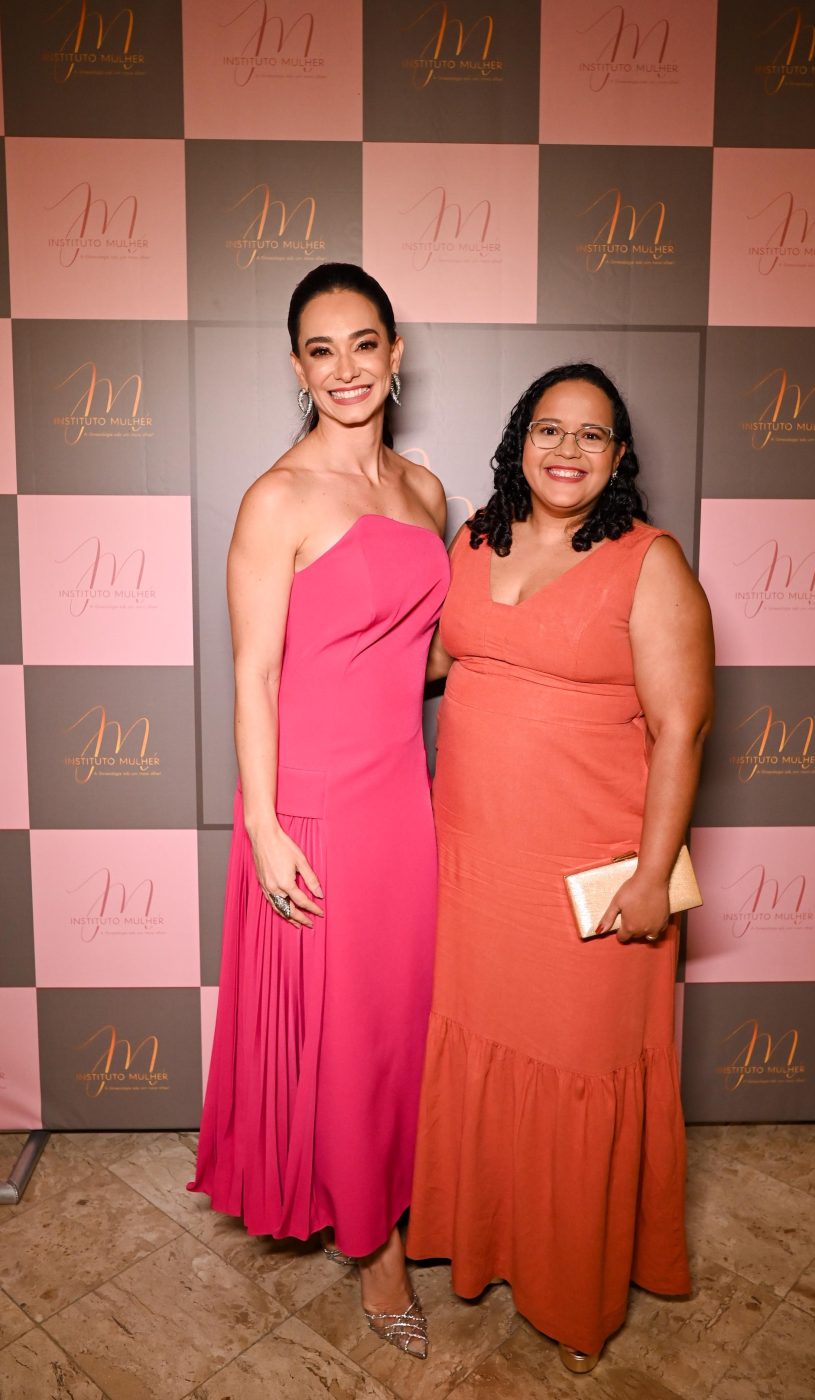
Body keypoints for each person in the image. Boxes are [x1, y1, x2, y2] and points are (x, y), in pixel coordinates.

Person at [407, 362, 714, 1372]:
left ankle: (571, 1289)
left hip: (587, 872)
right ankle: (481, 1242)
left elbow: (681, 729)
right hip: (470, 864)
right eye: (550, 429)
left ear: (620, 456)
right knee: (477, 1045)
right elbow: (432, 662)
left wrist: (650, 872)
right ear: (517, 440)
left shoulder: (648, 560)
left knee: (577, 1071)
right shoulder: (474, 539)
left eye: (592, 434)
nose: (567, 450)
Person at [189, 263, 448, 1359]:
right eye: (319, 348)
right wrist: (262, 824)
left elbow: (430, 657)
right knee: (343, 1033)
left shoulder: (426, 491)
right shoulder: (277, 497)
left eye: (363, 343)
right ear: (297, 367)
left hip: (405, 797)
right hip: (316, 805)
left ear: (397, 353)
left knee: (402, 1021)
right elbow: (251, 675)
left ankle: (408, 1190)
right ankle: (375, 1245)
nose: (344, 368)